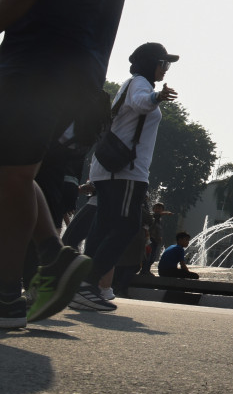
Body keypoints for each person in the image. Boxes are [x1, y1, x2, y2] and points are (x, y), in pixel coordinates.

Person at [0, 0, 130, 329]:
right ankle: (53, 257)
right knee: (17, 168)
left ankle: (7, 297)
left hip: (37, 62)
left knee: (10, 176)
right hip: (78, 71)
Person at [70, 42, 179, 312]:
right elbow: (142, 103)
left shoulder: (131, 83)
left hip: (107, 168)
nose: (165, 69)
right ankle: (88, 283)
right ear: (151, 63)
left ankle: (82, 286)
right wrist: (157, 98)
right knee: (127, 227)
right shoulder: (140, 84)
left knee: (104, 226)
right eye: (163, 63)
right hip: (126, 170)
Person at [141, 201, 174, 275]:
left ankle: (147, 270)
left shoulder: (159, 220)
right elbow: (157, 215)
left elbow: (158, 230)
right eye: (156, 208)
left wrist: (160, 237)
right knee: (148, 256)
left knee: (153, 257)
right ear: (153, 209)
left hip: (155, 240)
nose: (158, 210)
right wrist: (166, 213)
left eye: (160, 208)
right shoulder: (152, 216)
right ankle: (144, 271)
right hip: (149, 239)